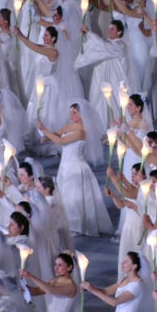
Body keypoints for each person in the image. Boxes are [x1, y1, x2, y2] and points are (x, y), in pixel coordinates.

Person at [38, 102, 112, 237]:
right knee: (65, 195)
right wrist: (46, 138)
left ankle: (76, 225)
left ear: (81, 114)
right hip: (65, 166)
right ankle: (66, 223)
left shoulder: (81, 131)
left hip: (76, 167)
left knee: (73, 196)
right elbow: (56, 136)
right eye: (71, 112)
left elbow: (61, 141)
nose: (71, 115)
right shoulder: (69, 127)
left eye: (75, 113)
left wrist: (44, 130)